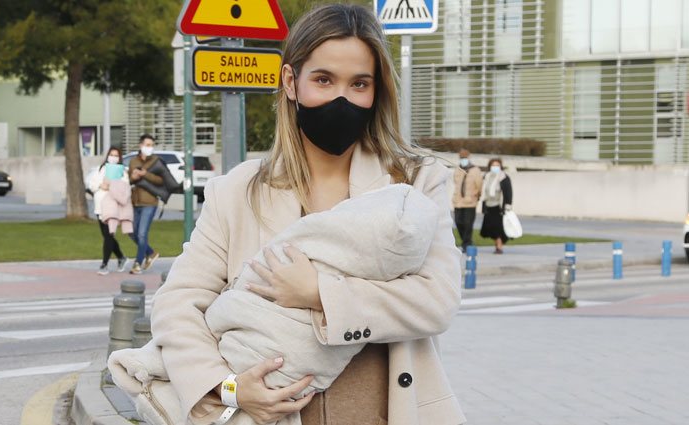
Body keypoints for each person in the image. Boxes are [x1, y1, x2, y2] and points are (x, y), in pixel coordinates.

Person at [150, 5, 465, 425]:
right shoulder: (239, 192)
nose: (342, 98)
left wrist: (321, 293)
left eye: (359, 84)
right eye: (323, 80)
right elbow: (177, 305)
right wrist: (227, 386)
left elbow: (436, 301)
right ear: (290, 82)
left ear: (377, 91)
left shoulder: (413, 183)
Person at [88, 147, 130, 275]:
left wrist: (111, 186)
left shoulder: (123, 172)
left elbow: (124, 188)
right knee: (107, 235)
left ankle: (104, 264)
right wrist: (101, 185)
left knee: (108, 235)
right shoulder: (101, 169)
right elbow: (92, 184)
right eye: (111, 155)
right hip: (100, 207)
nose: (113, 157)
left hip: (112, 207)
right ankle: (121, 257)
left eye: (116, 155)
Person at [128, 134, 161, 275]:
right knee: (131, 232)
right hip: (135, 202)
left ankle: (137, 263)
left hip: (150, 202)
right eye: (147, 145)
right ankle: (151, 253)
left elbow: (160, 180)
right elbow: (129, 179)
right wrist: (133, 177)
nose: (150, 148)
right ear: (140, 146)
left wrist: (145, 174)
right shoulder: (133, 161)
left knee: (142, 234)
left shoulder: (156, 161)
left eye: (151, 145)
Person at [452, 149, 483, 253]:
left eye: (464, 157)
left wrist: (477, 195)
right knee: (458, 222)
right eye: (461, 157)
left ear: (468, 157)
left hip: (470, 202)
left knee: (468, 224)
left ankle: (467, 243)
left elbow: (479, 185)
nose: (463, 159)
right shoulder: (458, 169)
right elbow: (455, 182)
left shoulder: (475, 170)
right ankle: (466, 241)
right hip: (458, 201)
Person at [480, 158, 513, 254]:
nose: (495, 167)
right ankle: (497, 245)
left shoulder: (504, 177)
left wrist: (508, 205)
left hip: (499, 207)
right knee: (491, 228)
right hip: (488, 205)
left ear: (500, 166)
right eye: (493, 165)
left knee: (498, 228)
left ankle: (499, 247)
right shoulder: (487, 176)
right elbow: (484, 190)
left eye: (497, 165)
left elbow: (508, 192)